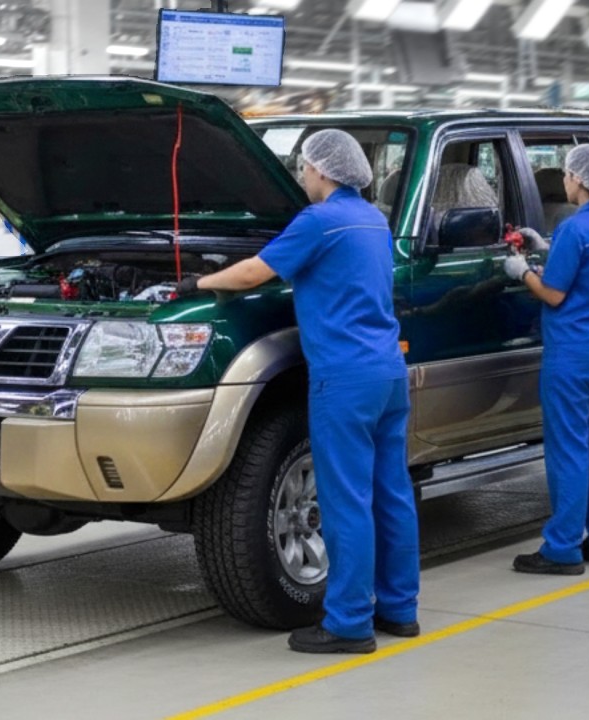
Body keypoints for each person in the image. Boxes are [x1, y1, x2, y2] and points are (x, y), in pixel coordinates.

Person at [178, 129, 418, 654]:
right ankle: (400, 609)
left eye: (305, 168)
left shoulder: (319, 221)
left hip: (345, 378)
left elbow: (253, 273)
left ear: (324, 171)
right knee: (390, 491)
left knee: (345, 499)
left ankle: (349, 624)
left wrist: (197, 284)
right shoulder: (374, 220)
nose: (304, 177)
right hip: (387, 374)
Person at [504, 145, 589, 575]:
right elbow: (583, 272)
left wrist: (520, 270)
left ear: (579, 180)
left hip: (572, 352)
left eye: (568, 173)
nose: (564, 180)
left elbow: (554, 294)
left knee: (568, 448)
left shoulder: (576, 229)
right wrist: (547, 247)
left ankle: (561, 548)